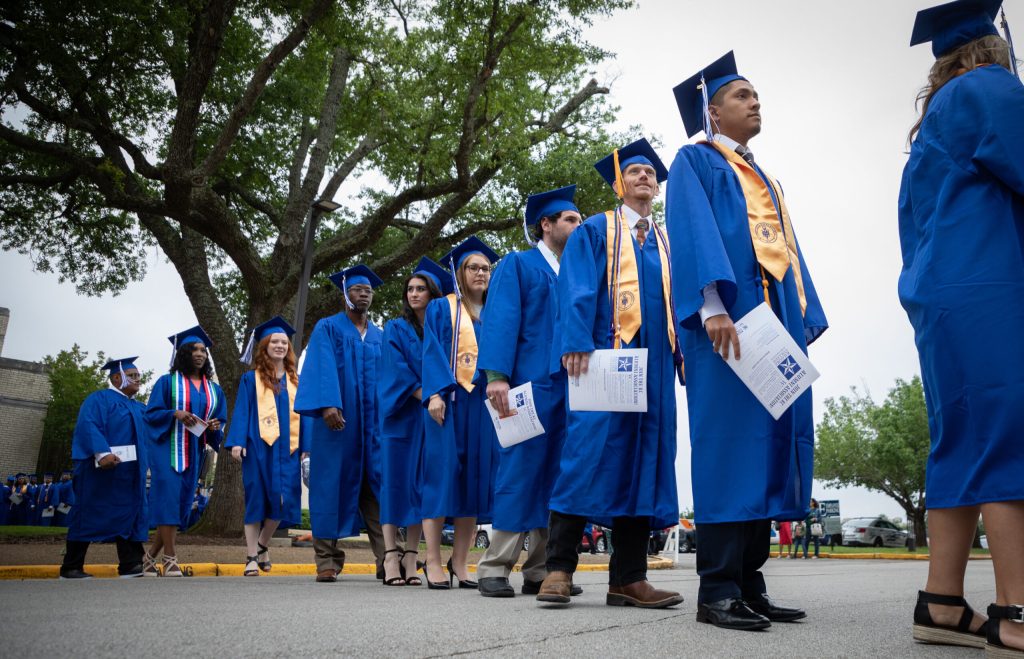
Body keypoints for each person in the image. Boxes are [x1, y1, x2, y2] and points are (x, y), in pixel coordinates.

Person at [667, 51, 828, 630]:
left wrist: (802, 314)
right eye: (742, 96)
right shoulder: (695, 162)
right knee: (730, 447)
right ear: (712, 111)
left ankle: (750, 584)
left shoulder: (765, 178)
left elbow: (788, 250)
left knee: (768, 449)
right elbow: (691, 230)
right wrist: (710, 303)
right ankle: (716, 589)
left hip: (772, 325)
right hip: (729, 327)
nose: (755, 101)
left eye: (757, 95)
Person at [900, 1, 1024, 653]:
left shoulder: (933, 121)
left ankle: (942, 602)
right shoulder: (991, 90)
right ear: (993, 45)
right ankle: (1016, 611)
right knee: (1011, 435)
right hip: (991, 287)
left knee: (960, 442)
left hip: (940, 297)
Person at [537, 138, 683, 610]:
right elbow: (575, 286)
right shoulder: (597, 230)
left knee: (644, 462)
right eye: (635, 171)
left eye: (650, 172)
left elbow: (677, 305)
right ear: (619, 183)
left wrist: (681, 353)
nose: (645, 176)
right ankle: (558, 569)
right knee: (586, 455)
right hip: (603, 359)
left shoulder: (666, 242)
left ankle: (628, 578)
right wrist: (576, 340)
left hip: (654, 369)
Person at [476, 186, 583, 598]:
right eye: (570, 219)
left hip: (570, 389)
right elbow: (501, 320)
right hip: (526, 387)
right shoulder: (517, 266)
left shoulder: (575, 272)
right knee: (520, 471)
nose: (578, 225)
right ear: (546, 224)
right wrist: (497, 376)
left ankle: (539, 570)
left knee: (557, 476)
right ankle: (494, 566)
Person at [295, 264, 388, 584]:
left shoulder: (380, 335)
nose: (364, 294)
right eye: (357, 290)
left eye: (368, 291)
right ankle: (326, 560)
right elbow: (320, 367)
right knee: (329, 485)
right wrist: (327, 405)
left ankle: (386, 559)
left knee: (377, 489)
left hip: (373, 428)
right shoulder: (328, 328)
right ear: (345, 294)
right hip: (337, 424)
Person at [420, 236, 501, 590]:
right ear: (459, 272)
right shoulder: (442, 309)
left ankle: (460, 561)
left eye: (485, 268)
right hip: (450, 403)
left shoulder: (496, 312)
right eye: (473, 267)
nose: (481, 273)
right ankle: (433, 560)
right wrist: (434, 394)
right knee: (442, 476)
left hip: (483, 406)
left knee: (475, 481)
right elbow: (432, 350)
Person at [378, 258, 449, 586]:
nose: (414, 294)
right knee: (394, 482)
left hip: (432, 418)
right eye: (410, 289)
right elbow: (397, 371)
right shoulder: (395, 327)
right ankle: (390, 555)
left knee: (423, 484)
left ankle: (411, 555)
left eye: (421, 288)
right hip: (402, 415)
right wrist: (431, 394)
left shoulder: (443, 328)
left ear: (434, 293)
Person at [225, 316, 306, 577]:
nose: (280, 346)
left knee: (284, 502)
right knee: (256, 500)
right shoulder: (252, 379)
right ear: (265, 346)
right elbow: (242, 410)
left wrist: (307, 446)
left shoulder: (296, 380)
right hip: (259, 446)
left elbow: (306, 416)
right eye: (275, 342)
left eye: (284, 342)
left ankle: (262, 545)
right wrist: (237, 441)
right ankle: (251, 556)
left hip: (289, 449)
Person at [144, 325, 227, 577]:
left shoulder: (214, 390)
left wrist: (214, 425)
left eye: (203, 350)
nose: (200, 354)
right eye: (194, 349)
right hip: (167, 448)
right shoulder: (167, 383)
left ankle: (148, 558)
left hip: (194, 450)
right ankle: (170, 558)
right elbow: (151, 415)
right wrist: (174, 413)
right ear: (183, 354)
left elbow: (219, 419)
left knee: (180, 506)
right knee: (168, 499)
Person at [59, 357, 150, 579]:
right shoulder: (99, 398)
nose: (139, 380)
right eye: (133, 376)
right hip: (101, 471)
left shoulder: (140, 407)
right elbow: (89, 424)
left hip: (130, 474)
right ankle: (71, 567)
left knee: (130, 513)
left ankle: (130, 564)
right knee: (89, 511)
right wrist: (102, 453)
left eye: (139, 376)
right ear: (117, 377)